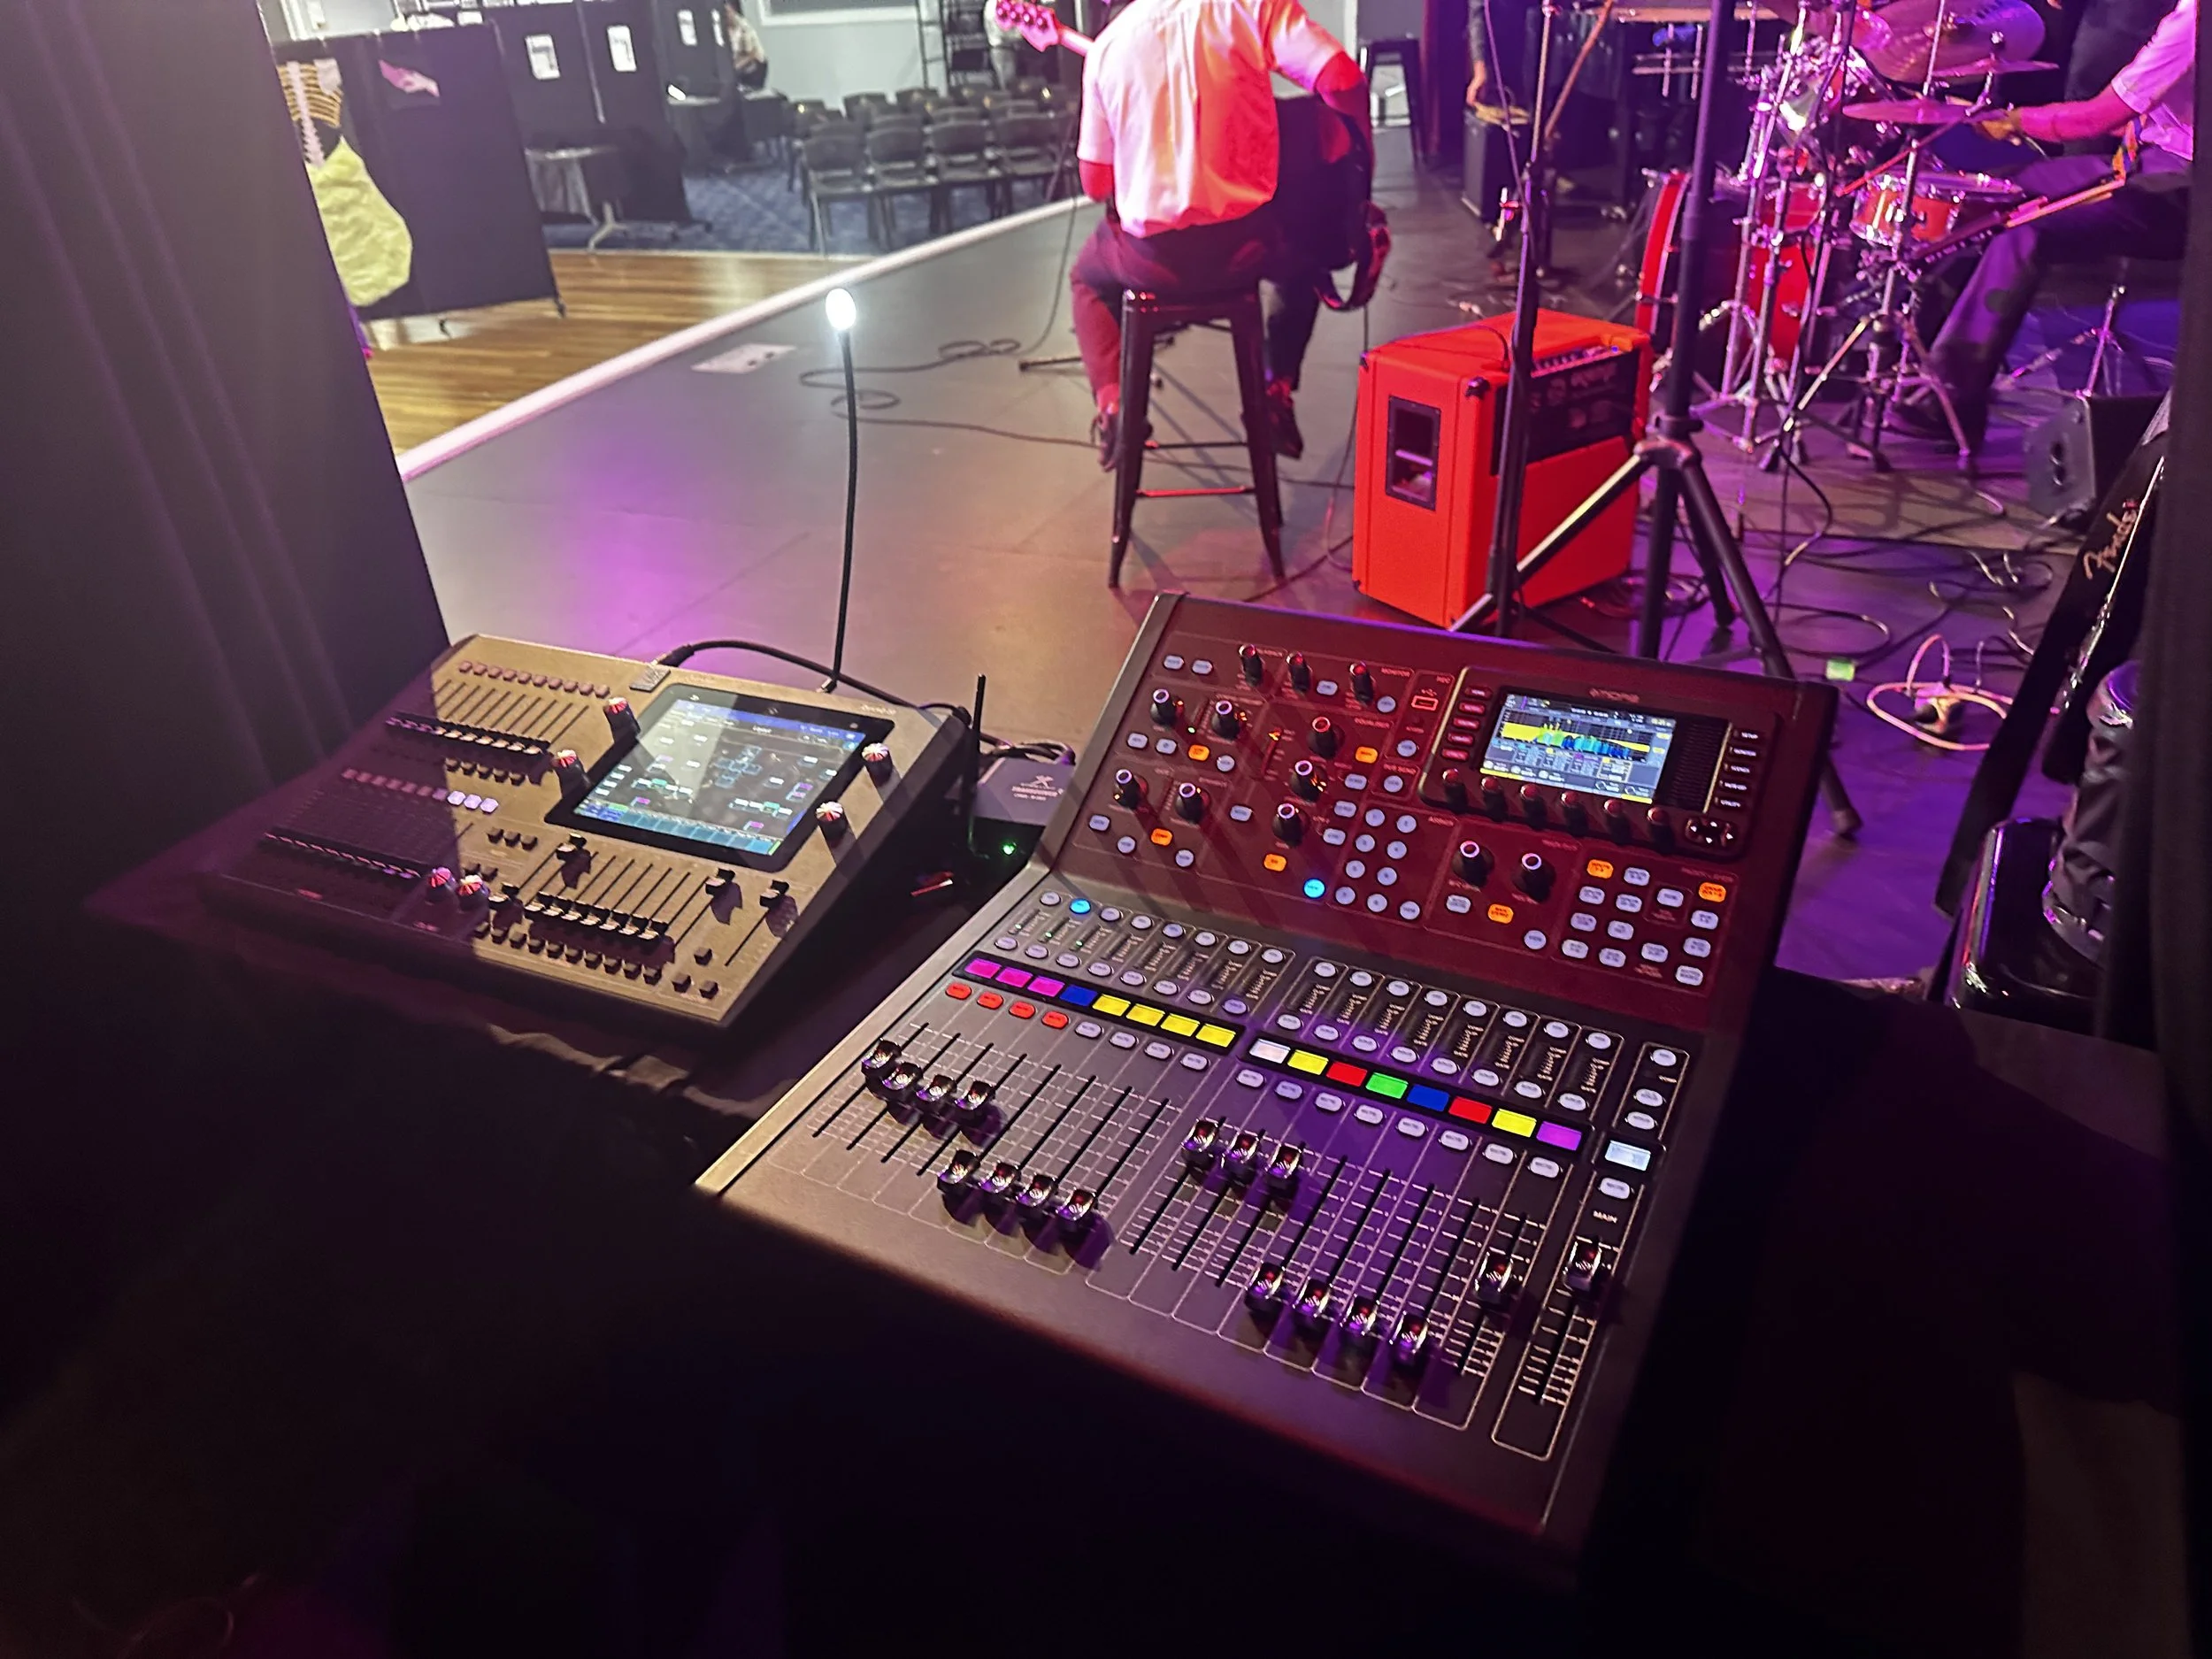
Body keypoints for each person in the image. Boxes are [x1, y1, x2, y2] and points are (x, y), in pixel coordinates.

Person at [1045, 0, 1372, 465]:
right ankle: (1276, 389)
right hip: (1249, 249)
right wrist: (1360, 154)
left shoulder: (1109, 47)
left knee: (1087, 280)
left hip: (1152, 263)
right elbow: (1341, 80)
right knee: (1303, 259)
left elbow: (1096, 184)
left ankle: (1115, 408)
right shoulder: (1249, 7)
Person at [1901, 0, 2193, 448]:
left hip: (2180, 188)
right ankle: (1915, 367)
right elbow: (2141, 118)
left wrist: (2016, 121)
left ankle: (1949, 399)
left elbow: (2099, 117)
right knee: (1987, 197)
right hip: (2144, 160)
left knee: (2026, 233)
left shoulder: (2195, 20)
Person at [723, 2, 768, 89]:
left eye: (728, 12)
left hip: (754, 64)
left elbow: (752, 54)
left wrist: (735, 67)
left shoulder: (743, 27)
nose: (726, 15)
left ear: (733, 11)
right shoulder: (723, 28)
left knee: (751, 91)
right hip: (737, 64)